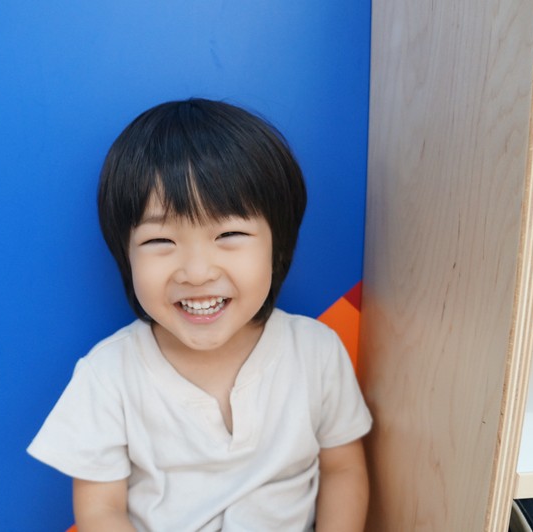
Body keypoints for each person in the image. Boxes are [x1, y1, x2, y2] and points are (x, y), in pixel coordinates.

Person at [28, 98, 372, 531]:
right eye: (160, 241)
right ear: (125, 255)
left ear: (277, 245)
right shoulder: (108, 374)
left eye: (228, 234)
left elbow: (343, 468)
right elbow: (101, 510)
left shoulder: (316, 352)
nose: (196, 272)